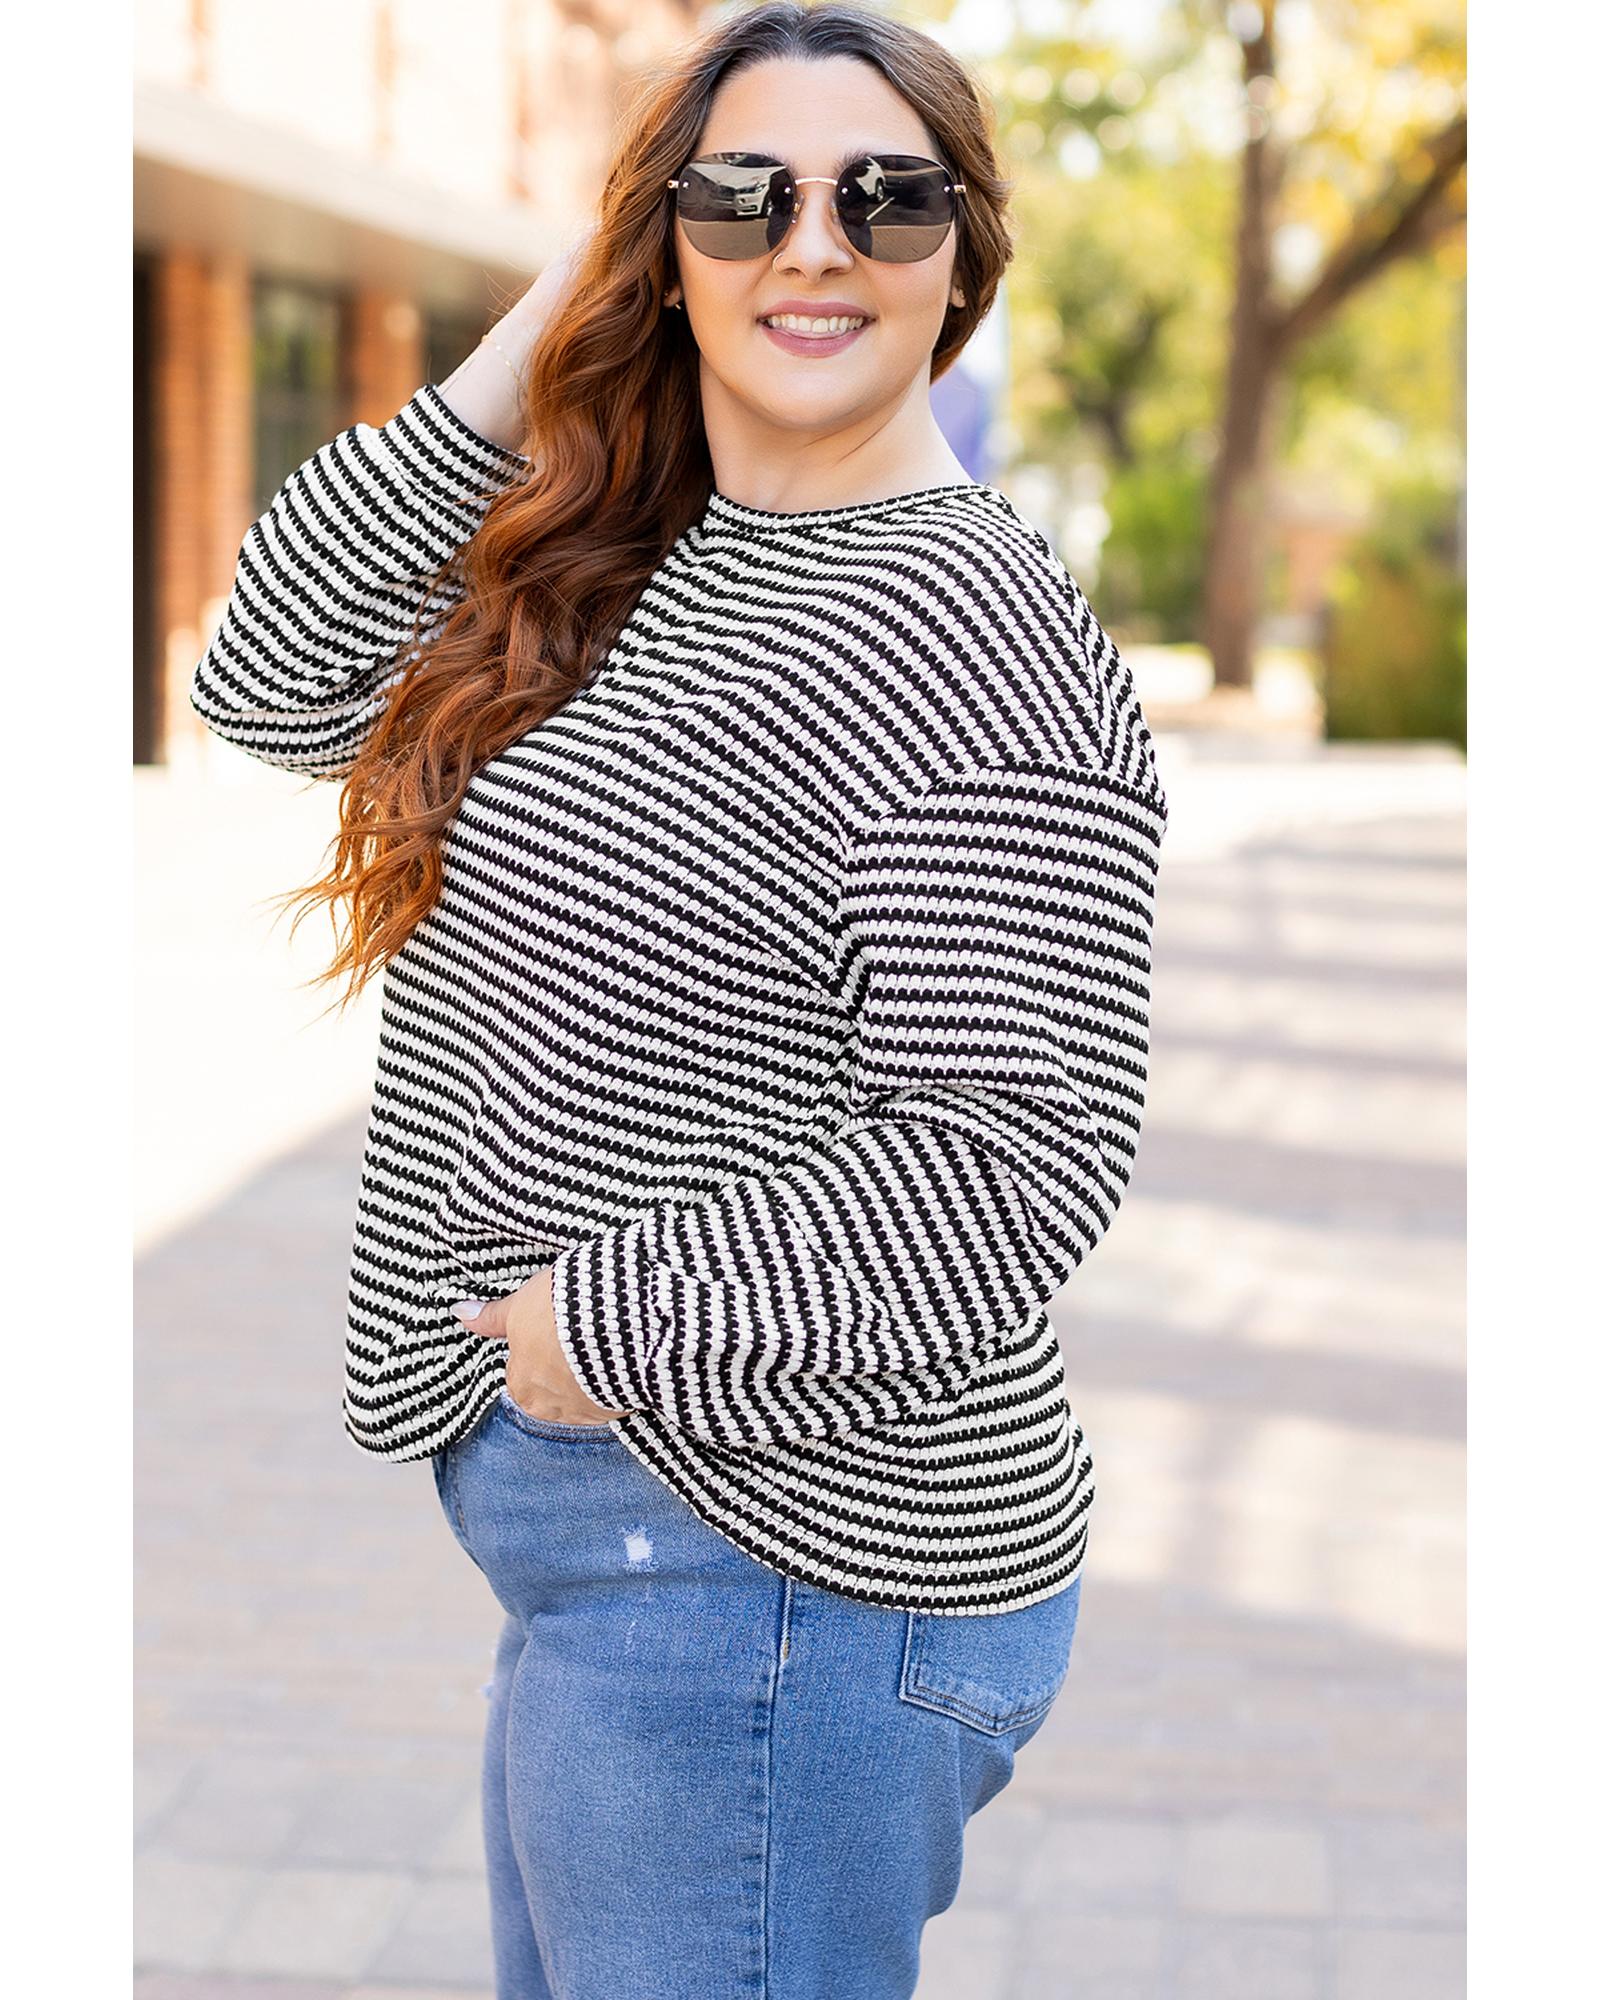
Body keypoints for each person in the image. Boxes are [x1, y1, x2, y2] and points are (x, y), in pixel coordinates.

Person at [190, 5, 1168, 1994]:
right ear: (662, 238)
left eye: (885, 200)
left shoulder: (967, 626)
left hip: (770, 1561)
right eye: (742, 197)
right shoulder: (652, 554)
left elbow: (1017, 1155)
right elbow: (262, 676)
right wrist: (552, 319)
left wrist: (597, 1332)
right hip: (642, 1549)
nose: (814, 245)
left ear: (962, 255)